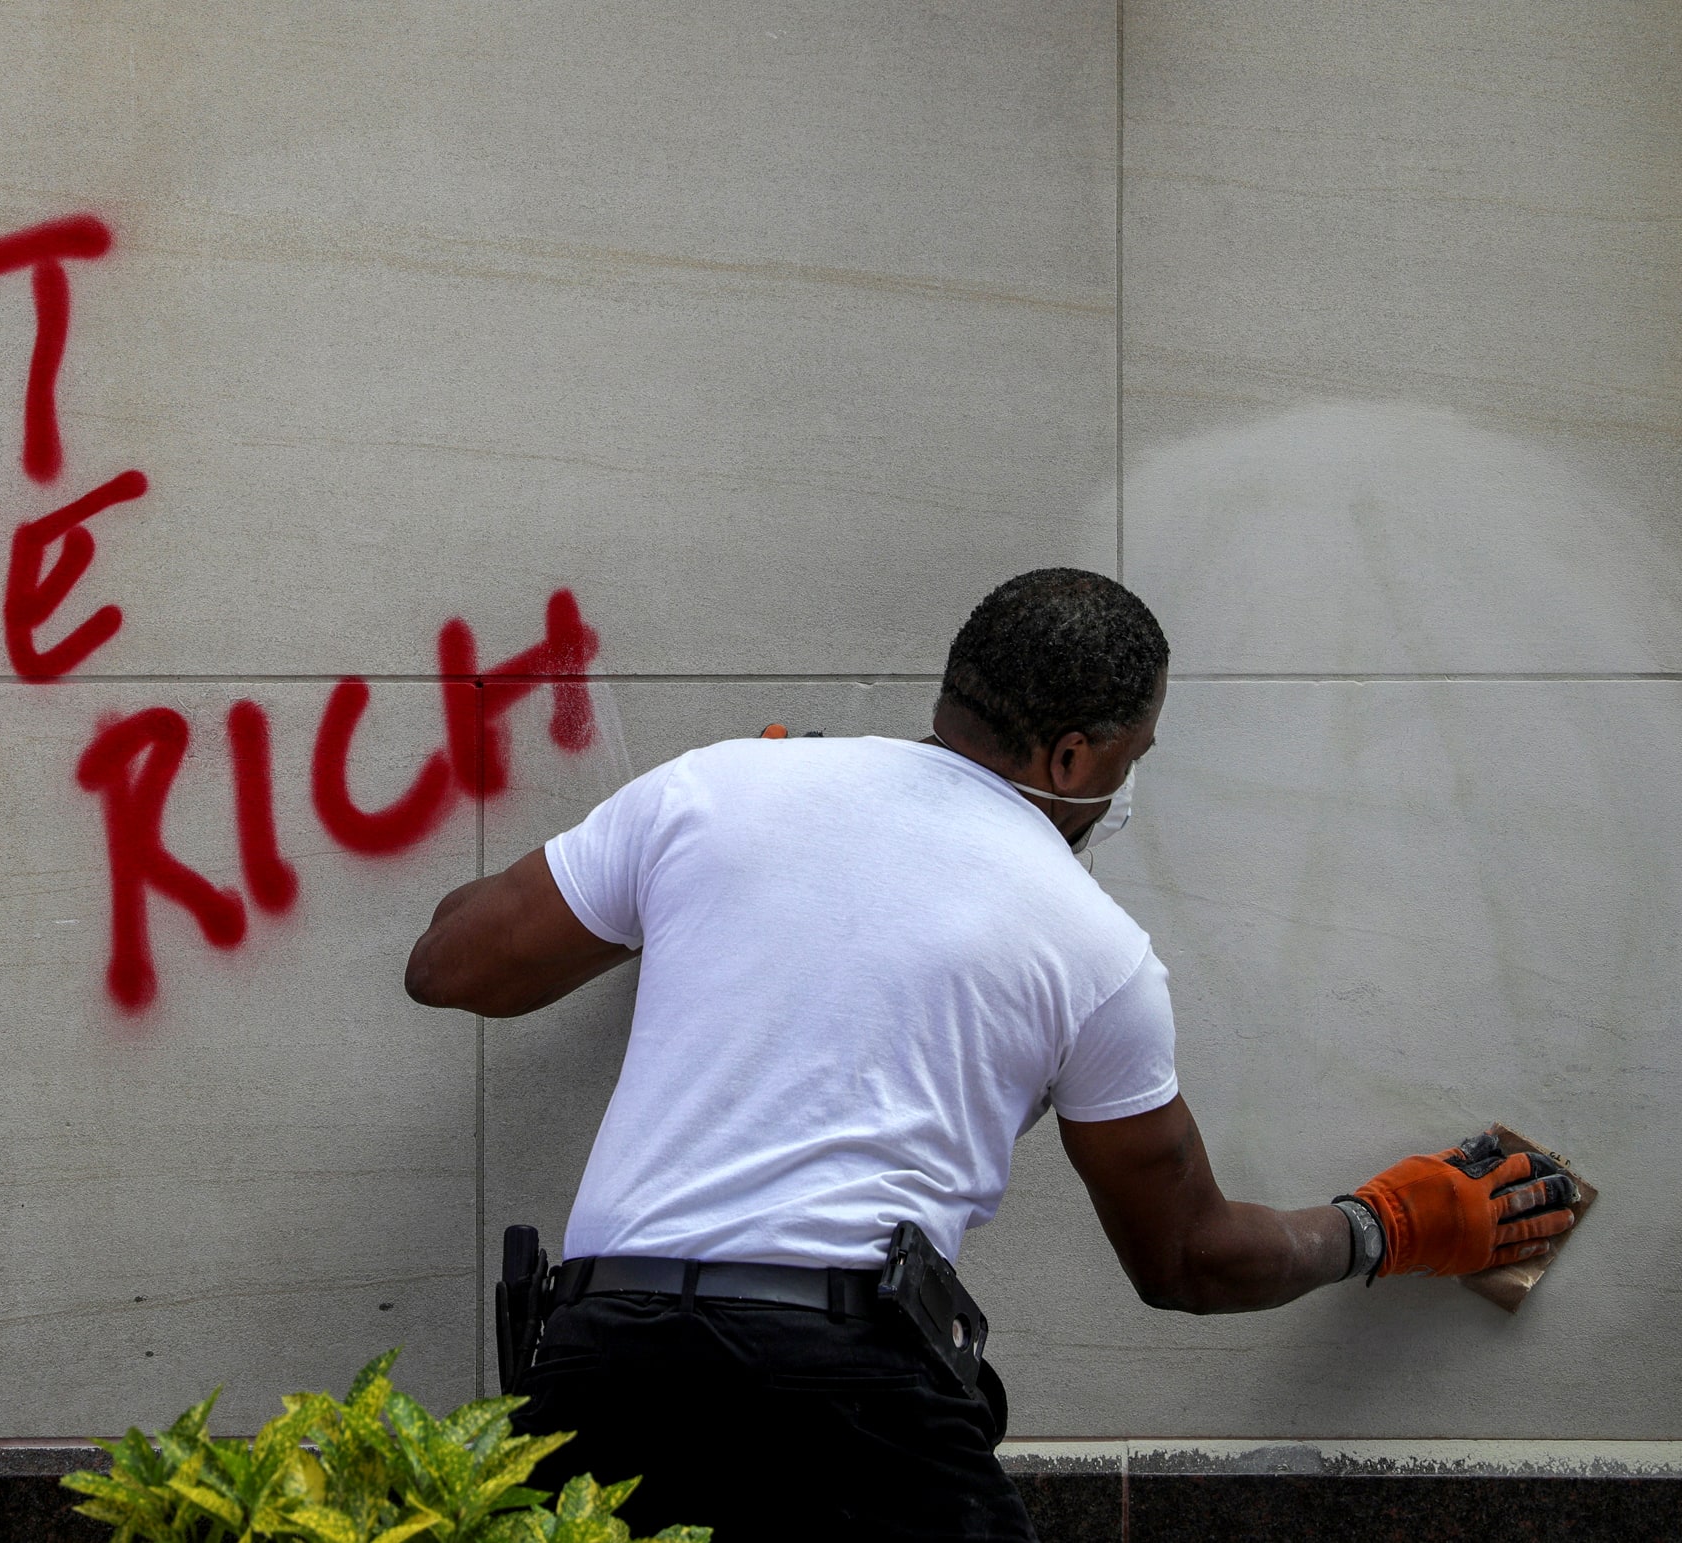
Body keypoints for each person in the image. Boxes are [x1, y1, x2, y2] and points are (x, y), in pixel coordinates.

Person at [404, 569, 1579, 1542]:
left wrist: (690, 879)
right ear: (1072, 759)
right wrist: (1389, 1225)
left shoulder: (716, 789)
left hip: (605, 1370)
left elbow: (448, 963)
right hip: (844, 1393)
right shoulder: (1089, 943)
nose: (1126, 785)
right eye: (1134, 755)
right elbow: (1187, 1258)